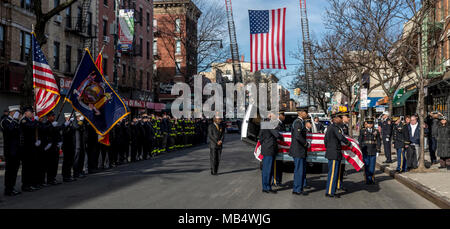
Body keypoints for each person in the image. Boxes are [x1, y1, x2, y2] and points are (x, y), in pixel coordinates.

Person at [324, 113, 352, 198]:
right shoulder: (335, 127)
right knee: (333, 174)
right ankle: (330, 192)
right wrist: (348, 143)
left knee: (333, 173)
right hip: (334, 153)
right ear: (336, 119)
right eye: (340, 118)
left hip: (332, 152)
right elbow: (340, 137)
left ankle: (331, 191)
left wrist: (329, 148)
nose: (340, 120)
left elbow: (325, 140)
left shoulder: (330, 127)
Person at [259, 112, 282, 194]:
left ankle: (266, 186)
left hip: (266, 149)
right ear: (270, 115)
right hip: (269, 149)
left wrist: (265, 144)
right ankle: (267, 187)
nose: (276, 116)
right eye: (274, 115)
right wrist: (281, 137)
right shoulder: (269, 124)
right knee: (268, 169)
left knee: (266, 169)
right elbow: (277, 135)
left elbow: (260, 137)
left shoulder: (264, 123)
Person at [1, 105, 22, 196]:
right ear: (12, 112)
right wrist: (15, 120)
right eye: (16, 112)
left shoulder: (16, 121)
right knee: (10, 170)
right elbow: (9, 130)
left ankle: (12, 187)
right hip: (9, 150)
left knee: (15, 170)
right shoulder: (5, 121)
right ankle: (8, 189)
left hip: (17, 150)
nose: (18, 114)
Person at [289, 107, 309, 196]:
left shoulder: (301, 122)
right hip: (298, 150)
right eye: (305, 112)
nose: (307, 114)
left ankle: (298, 188)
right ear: (300, 113)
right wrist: (306, 144)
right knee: (298, 170)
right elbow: (297, 136)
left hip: (300, 150)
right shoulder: (298, 122)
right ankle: (297, 189)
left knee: (300, 170)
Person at [358, 117, 381, 184]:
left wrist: (378, 150)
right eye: (368, 123)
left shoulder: (376, 131)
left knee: (372, 166)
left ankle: (371, 178)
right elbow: (360, 140)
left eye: (371, 123)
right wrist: (360, 149)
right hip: (365, 150)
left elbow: (379, 140)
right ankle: (367, 179)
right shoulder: (363, 131)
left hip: (373, 150)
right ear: (366, 124)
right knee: (367, 165)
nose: (370, 125)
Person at [43, 111, 62, 185]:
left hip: (55, 147)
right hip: (49, 148)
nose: (53, 117)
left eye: (54, 116)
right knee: (49, 164)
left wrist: (60, 141)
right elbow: (47, 132)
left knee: (55, 164)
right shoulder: (46, 124)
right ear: (48, 117)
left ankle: (53, 178)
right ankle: (49, 179)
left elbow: (58, 134)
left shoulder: (55, 124)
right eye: (52, 116)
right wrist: (51, 126)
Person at [62, 113, 76, 182]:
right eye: (70, 118)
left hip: (71, 146)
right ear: (66, 118)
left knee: (70, 161)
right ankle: (65, 176)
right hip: (66, 146)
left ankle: (69, 175)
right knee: (66, 162)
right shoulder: (64, 125)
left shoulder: (71, 125)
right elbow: (64, 133)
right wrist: (67, 126)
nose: (71, 119)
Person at [337, 112, 350, 192]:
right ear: (343, 117)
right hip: (340, 150)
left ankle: (340, 183)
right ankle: (338, 184)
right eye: (347, 117)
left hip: (344, 150)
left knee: (342, 168)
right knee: (339, 168)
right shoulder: (340, 126)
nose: (349, 119)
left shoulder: (345, 126)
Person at [272, 111, 285, 187]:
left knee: (280, 166)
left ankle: (279, 181)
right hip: (276, 147)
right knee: (276, 166)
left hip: (280, 148)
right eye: (283, 115)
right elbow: (276, 134)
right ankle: (275, 181)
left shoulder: (281, 123)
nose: (284, 117)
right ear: (279, 115)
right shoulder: (275, 123)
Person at [73, 113, 87, 178]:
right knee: (77, 158)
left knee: (82, 157)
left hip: (82, 143)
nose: (79, 117)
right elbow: (77, 127)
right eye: (78, 116)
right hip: (77, 145)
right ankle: (76, 173)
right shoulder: (75, 122)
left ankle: (80, 171)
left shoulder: (82, 122)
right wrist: (81, 121)